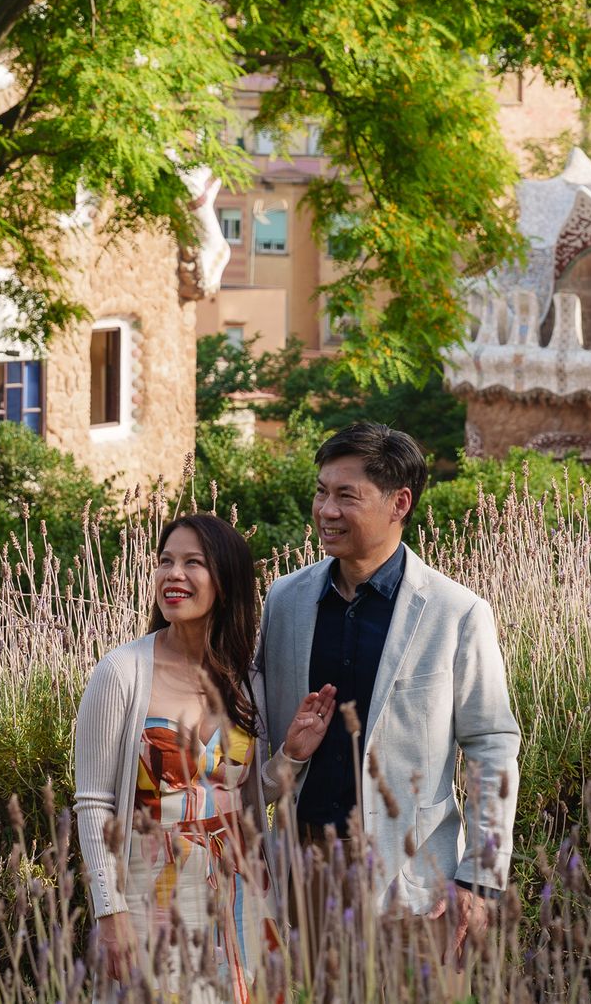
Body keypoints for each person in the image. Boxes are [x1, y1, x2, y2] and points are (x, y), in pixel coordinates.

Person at [254, 422, 520, 948]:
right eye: (321, 491)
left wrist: (481, 875)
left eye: (345, 496)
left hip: (415, 880)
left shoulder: (456, 613)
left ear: (399, 503)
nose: (326, 510)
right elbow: (258, 728)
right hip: (301, 869)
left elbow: (492, 746)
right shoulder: (283, 602)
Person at [74, 513, 335, 1003]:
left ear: (226, 580)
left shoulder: (245, 678)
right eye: (165, 561)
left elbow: (247, 794)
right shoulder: (121, 673)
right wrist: (110, 914)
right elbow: (93, 804)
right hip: (153, 891)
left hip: (245, 888)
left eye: (193, 562)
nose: (174, 574)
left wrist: (292, 756)